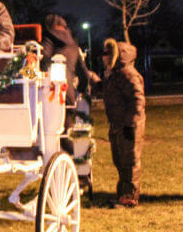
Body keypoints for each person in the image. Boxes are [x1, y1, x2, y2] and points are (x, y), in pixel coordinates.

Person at [40, 14, 100, 154]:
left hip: (50, 94)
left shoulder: (48, 38)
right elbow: (83, 73)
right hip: (67, 95)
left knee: (60, 135)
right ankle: (82, 152)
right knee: (64, 132)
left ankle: (81, 151)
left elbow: (43, 61)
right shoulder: (73, 44)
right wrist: (81, 90)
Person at [99, 38, 146, 208]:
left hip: (128, 126)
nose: (103, 57)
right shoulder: (114, 74)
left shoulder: (127, 74)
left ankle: (130, 197)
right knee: (120, 161)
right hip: (117, 124)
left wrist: (131, 124)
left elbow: (137, 100)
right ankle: (122, 195)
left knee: (130, 161)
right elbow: (106, 91)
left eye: (106, 54)